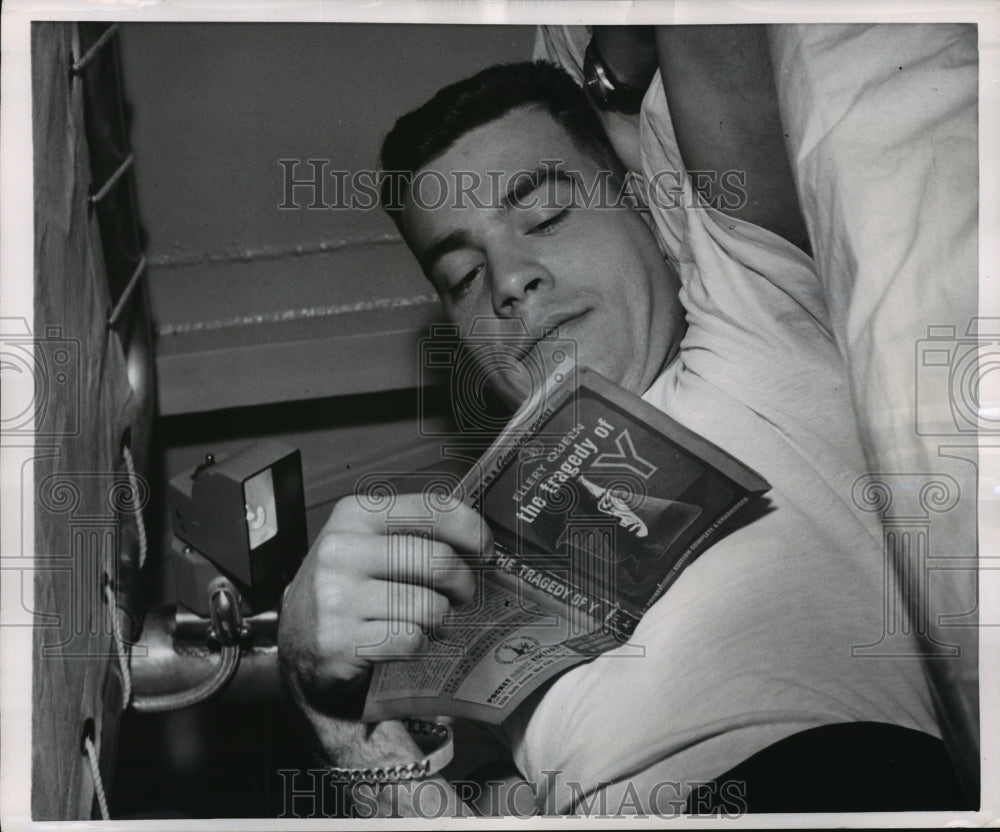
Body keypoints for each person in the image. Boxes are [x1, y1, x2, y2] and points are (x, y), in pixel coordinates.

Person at [278, 25, 964, 815]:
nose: (507, 282)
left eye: (544, 217)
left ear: (640, 200)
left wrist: (609, 80)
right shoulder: (458, 575)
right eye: (463, 275)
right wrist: (329, 713)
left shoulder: (756, 321)